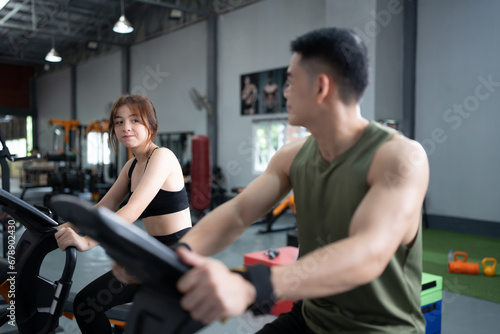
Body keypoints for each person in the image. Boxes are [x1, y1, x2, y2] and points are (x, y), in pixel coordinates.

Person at [120, 27, 429, 333]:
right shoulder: (292, 157)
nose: (284, 92)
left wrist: (252, 287)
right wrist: (176, 257)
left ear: (321, 87)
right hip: (312, 317)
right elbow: (239, 213)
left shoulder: (399, 157)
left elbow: (368, 253)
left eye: (291, 82)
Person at [55, 94, 192, 334]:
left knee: (89, 305)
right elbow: (104, 207)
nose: (125, 127)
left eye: (134, 120)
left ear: (151, 124)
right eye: (118, 122)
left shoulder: (163, 157)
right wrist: (62, 226)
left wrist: (88, 241)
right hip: (153, 254)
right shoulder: (131, 167)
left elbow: (132, 209)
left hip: (177, 259)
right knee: (87, 304)